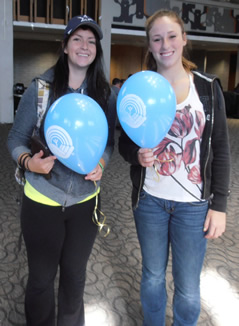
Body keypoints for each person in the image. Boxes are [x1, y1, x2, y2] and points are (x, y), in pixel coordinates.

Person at [119, 9, 230, 326]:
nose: (164, 44)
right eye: (157, 39)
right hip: (150, 200)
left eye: (171, 36)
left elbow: (220, 148)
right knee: (152, 276)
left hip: (194, 207)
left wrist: (219, 205)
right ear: (149, 46)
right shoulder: (138, 88)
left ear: (184, 39)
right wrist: (135, 155)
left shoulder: (207, 89)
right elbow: (125, 142)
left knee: (189, 287)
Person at [8, 15, 116, 326]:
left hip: (85, 201)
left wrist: (101, 163)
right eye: (78, 39)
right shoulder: (41, 89)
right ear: (65, 46)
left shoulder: (103, 95)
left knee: (75, 277)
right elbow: (15, 138)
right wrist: (30, 163)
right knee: (42, 279)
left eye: (91, 41)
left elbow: (107, 142)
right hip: (43, 197)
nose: (85, 46)